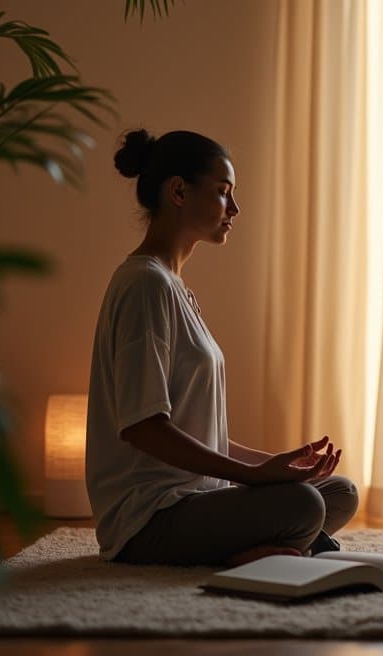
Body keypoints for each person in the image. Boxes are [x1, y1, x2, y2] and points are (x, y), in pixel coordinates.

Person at [86, 128, 358, 567]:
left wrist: (277, 466)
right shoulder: (144, 285)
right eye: (222, 192)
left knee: (339, 493)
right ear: (178, 191)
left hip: (199, 499)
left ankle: (272, 548)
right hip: (150, 519)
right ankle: (260, 552)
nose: (234, 208)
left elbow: (196, 431)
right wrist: (252, 477)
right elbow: (142, 428)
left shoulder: (174, 287)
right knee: (304, 507)